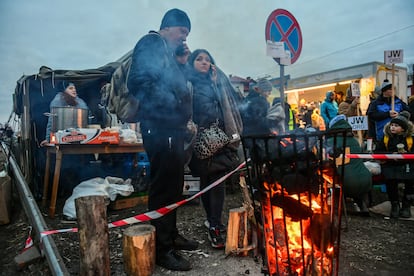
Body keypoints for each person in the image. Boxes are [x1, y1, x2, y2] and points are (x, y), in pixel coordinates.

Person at [126, 8, 197, 271]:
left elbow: (178, 84)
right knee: (163, 186)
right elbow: (138, 81)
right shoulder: (151, 43)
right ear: (168, 27)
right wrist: (169, 102)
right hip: (160, 127)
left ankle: (171, 235)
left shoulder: (169, 54)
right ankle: (162, 248)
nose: (184, 38)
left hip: (173, 130)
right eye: (182, 32)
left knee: (174, 184)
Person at [187, 49, 243, 249]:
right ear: (191, 62)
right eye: (199, 59)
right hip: (198, 141)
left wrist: (218, 81)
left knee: (218, 181)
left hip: (219, 139)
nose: (204, 62)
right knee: (205, 182)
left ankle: (215, 224)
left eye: (207, 60)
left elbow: (231, 104)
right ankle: (211, 220)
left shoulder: (217, 82)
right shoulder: (188, 84)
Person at [327, 115, 372, 215]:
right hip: (365, 179)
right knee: (352, 178)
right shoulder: (355, 141)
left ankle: (336, 207)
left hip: (346, 182)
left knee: (335, 178)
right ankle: (363, 206)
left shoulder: (331, 142)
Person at [375, 111, 414, 218]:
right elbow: (377, 151)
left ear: (403, 128)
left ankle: (406, 205)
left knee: (410, 181)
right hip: (390, 165)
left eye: (396, 126)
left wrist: (406, 155)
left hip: (407, 165)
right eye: (392, 125)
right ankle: (395, 205)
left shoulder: (410, 139)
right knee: (390, 181)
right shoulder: (386, 138)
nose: (392, 127)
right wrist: (390, 155)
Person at [40, 81, 89, 146]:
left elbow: (86, 116)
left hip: (79, 137)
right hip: (61, 137)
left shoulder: (80, 102)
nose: (74, 90)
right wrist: (48, 138)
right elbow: (51, 121)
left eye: (74, 88)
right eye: (71, 88)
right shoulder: (57, 101)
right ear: (64, 90)